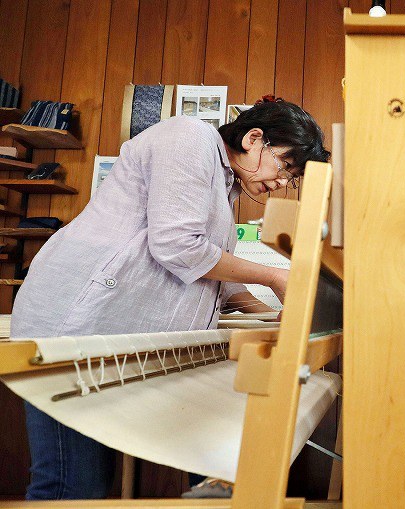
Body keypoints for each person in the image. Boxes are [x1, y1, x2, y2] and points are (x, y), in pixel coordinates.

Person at [11, 96, 330, 500]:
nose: (284, 183)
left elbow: (221, 278)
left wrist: (272, 315)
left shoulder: (225, 188)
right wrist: (275, 277)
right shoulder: (189, 138)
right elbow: (178, 246)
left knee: (89, 481)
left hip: (117, 338)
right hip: (77, 327)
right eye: (286, 166)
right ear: (253, 138)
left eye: (294, 177)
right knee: (72, 484)